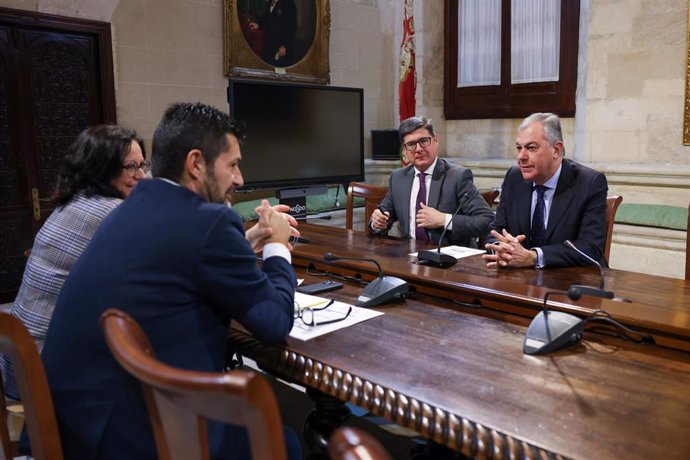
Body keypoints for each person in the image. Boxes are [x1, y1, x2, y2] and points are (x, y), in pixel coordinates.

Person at [38, 102, 301, 459]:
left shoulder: (134, 204)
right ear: (195, 163)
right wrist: (277, 246)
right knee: (287, 441)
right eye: (233, 165)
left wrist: (248, 240)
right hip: (132, 434)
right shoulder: (209, 221)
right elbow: (273, 322)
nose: (239, 179)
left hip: (73, 420)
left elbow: (182, 259)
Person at [0, 124, 146, 399]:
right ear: (102, 168)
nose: (141, 175)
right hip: (45, 373)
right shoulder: (111, 210)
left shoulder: (73, 203)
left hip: (17, 361)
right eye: (131, 167)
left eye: (142, 165)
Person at [483, 112, 608, 269]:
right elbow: (495, 231)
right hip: (521, 281)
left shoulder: (589, 183)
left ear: (556, 149)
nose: (521, 156)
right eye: (518, 148)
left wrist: (534, 257)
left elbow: (590, 248)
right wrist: (501, 249)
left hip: (573, 282)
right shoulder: (514, 178)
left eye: (531, 148)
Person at [370, 116, 494, 247]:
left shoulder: (457, 177)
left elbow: (486, 221)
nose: (418, 149)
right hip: (408, 257)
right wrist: (377, 223)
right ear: (404, 150)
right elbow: (383, 216)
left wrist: (444, 220)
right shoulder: (398, 177)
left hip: (450, 259)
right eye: (411, 144)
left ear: (435, 140)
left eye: (424, 141)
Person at [248, 0, 297, 66]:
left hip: (281, 46)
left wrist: (284, 46)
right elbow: (268, 19)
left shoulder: (288, 3)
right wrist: (259, 25)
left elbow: (291, 27)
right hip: (270, 43)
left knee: (279, 70)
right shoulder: (271, 1)